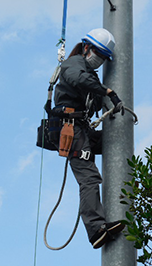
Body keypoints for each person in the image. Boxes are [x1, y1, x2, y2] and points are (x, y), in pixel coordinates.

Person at [52, 28, 125, 249]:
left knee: (116, 142)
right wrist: (108, 92)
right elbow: (77, 79)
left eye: (104, 58)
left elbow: (90, 96)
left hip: (80, 130)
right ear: (86, 48)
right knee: (90, 178)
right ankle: (96, 230)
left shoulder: (90, 76)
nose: (99, 60)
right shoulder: (74, 64)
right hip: (69, 129)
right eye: (98, 54)